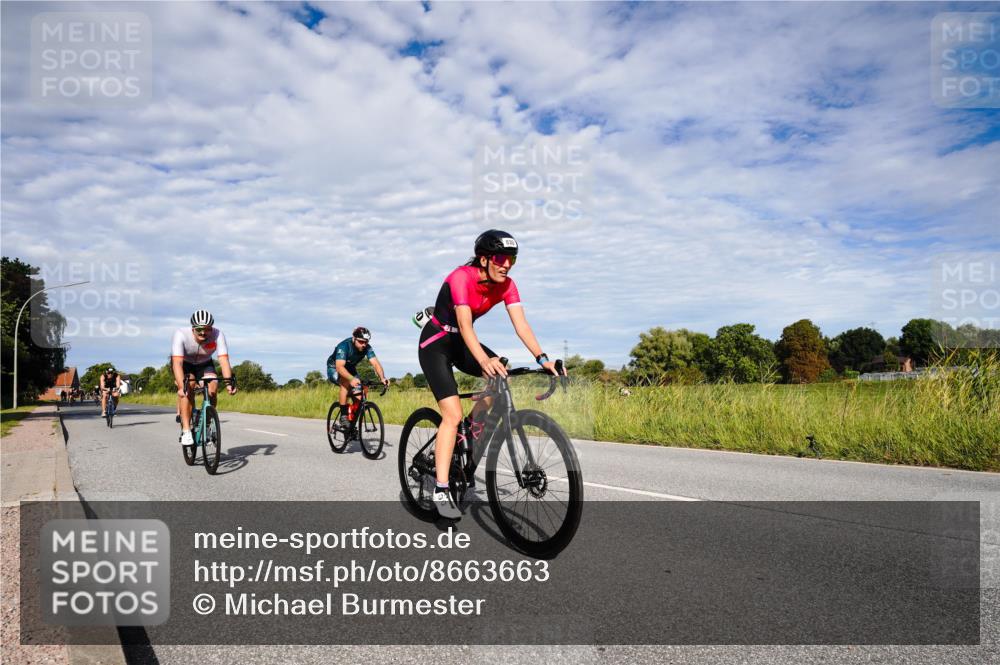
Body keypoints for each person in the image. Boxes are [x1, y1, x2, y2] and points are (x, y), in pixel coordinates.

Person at [418, 229, 563, 520]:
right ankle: (442, 489)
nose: (506, 264)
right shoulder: (461, 277)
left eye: (512, 259)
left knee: (500, 377)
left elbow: (521, 325)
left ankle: (472, 427)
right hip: (436, 344)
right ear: (484, 259)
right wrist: (484, 359)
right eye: (500, 258)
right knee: (451, 414)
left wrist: (543, 358)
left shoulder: (507, 285)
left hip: (462, 343)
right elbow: (465, 325)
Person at [171, 310, 237, 447]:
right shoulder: (181, 334)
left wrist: (228, 382)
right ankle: (186, 430)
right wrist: (181, 386)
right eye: (199, 329)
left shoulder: (218, 334)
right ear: (193, 328)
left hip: (205, 364)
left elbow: (224, 360)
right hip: (186, 364)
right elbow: (177, 363)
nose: (203, 333)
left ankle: (207, 424)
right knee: (188, 388)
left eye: (207, 329)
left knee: (213, 386)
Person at [326, 327, 389, 429]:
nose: (364, 344)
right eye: (361, 342)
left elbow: (375, 363)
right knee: (345, 382)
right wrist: (351, 379)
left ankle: (350, 425)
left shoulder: (367, 348)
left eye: (366, 342)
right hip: (335, 367)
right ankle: (343, 416)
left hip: (350, 368)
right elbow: (340, 367)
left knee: (359, 396)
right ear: (354, 338)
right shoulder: (344, 346)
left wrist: (382, 378)